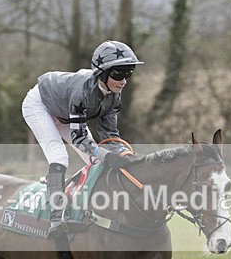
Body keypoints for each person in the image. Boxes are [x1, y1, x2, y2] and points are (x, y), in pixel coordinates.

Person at [22, 40, 144, 238]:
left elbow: (110, 135)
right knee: (59, 157)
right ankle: (56, 217)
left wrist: (122, 154)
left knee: (95, 161)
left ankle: (91, 208)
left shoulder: (114, 96)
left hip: (65, 113)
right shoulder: (82, 92)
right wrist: (107, 155)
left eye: (128, 73)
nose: (123, 81)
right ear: (101, 74)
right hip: (40, 105)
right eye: (118, 74)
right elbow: (79, 138)